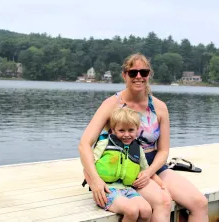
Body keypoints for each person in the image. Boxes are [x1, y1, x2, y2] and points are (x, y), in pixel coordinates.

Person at [79, 52, 208, 222]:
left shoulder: (160, 108)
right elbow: (85, 144)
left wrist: (149, 172)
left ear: (149, 75)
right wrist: (95, 181)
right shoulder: (112, 104)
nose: (138, 76)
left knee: (200, 203)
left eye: (144, 72)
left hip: (152, 166)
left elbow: (163, 151)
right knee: (163, 201)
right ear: (125, 75)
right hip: (125, 167)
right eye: (133, 73)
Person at [83, 107, 168, 222]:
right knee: (131, 211)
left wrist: (162, 186)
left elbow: (147, 171)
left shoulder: (137, 149)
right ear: (113, 130)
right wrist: (95, 186)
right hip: (107, 190)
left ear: (137, 130)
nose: (126, 134)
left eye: (131, 130)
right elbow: (87, 168)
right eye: (122, 130)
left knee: (146, 210)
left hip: (127, 189)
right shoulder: (104, 143)